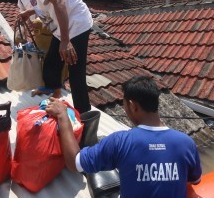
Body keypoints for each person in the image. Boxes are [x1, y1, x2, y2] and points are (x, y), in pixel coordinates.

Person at [45, 76, 202, 198]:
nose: (125, 109)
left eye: (125, 105)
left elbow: (74, 163)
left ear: (133, 106)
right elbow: (194, 180)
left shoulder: (119, 142)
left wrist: (62, 115)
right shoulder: (186, 143)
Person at [0, 0, 93, 113]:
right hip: (60, 26)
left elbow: (59, 3)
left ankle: (84, 116)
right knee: (51, 62)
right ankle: (51, 88)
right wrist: (28, 13)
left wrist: (65, 41)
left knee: (75, 70)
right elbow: (43, 4)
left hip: (77, 23)